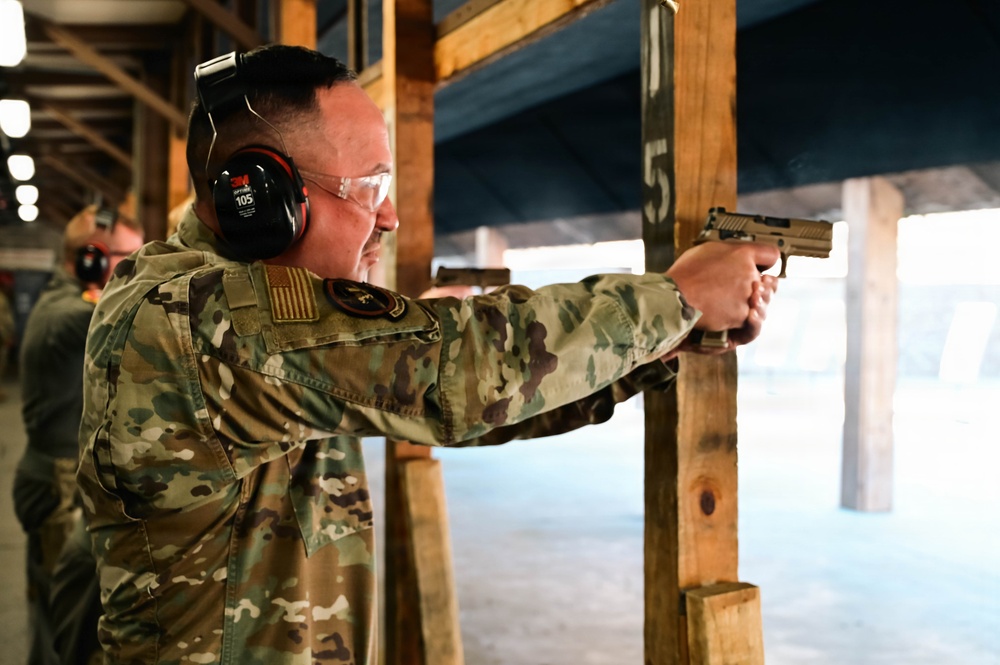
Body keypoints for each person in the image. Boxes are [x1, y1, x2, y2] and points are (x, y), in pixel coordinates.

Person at [76, 45, 779, 665]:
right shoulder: (185, 319)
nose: (390, 216)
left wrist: (670, 339)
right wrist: (675, 296)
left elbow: (483, 402)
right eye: (370, 187)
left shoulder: (229, 318)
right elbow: (463, 378)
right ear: (266, 200)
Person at [13, 204, 144, 665]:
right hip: (58, 484)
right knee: (63, 631)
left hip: (56, 478)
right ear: (90, 258)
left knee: (56, 619)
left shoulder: (71, 303)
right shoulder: (67, 313)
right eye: (127, 257)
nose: (134, 268)